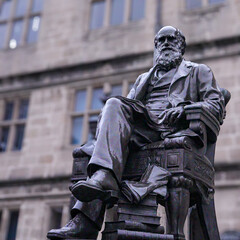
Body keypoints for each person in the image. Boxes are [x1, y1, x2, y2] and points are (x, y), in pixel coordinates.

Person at [47, 26, 224, 239]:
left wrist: (185, 109)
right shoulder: (143, 78)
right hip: (143, 128)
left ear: (181, 45)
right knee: (113, 105)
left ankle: (103, 182)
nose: (166, 43)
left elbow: (216, 105)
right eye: (161, 40)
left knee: (111, 117)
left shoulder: (198, 71)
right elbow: (124, 109)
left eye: (171, 39)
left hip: (173, 129)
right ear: (156, 47)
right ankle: (86, 221)